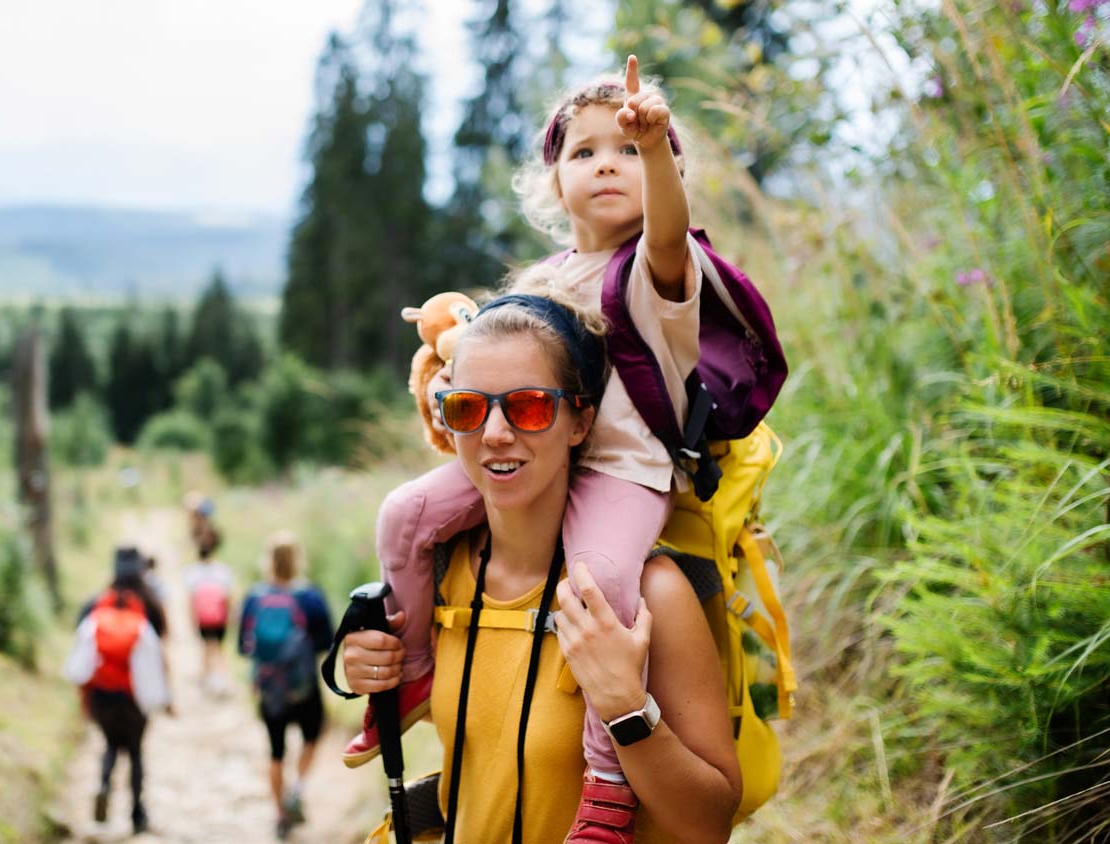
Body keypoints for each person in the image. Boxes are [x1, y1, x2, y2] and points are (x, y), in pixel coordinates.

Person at [346, 56, 708, 843]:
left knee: (600, 580)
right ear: (553, 178)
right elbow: (496, 364)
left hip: (622, 473)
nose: (608, 162)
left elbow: (671, 234)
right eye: (584, 151)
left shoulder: (655, 271)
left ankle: (607, 782)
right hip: (544, 456)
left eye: (630, 149)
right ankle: (409, 672)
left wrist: (657, 154)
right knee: (405, 513)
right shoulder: (545, 279)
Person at [342, 295, 740, 843]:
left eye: (529, 407)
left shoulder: (650, 597)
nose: (496, 433)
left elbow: (709, 826)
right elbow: (495, 738)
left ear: (581, 421)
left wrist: (625, 708)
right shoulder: (444, 575)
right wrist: (380, 672)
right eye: (468, 408)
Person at [238, 532, 334, 840]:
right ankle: (297, 789)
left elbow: (243, 646)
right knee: (313, 735)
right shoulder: (310, 597)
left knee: (276, 752)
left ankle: (279, 814)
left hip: (269, 688)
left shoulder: (255, 597)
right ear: (297, 559)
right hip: (303, 685)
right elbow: (327, 641)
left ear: (267, 560)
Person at [71, 546, 171, 835]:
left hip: (102, 692)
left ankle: (103, 785)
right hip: (136, 693)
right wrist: (166, 694)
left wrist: (83, 698)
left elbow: (81, 649)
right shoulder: (150, 603)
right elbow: (161, 650)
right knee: (137, 750)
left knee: (111, 745)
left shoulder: (96, 603)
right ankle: (137, 813)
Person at [183, 526, 234, 695]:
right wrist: (230, 616)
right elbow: (228, 597)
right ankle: (223, 679)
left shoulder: (192, 572)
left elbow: (191, 600)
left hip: (203, 618)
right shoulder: (223, 571)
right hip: (219, 617)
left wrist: (192, 619)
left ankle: (204, 677)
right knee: (219, 648)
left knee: (205, 647)